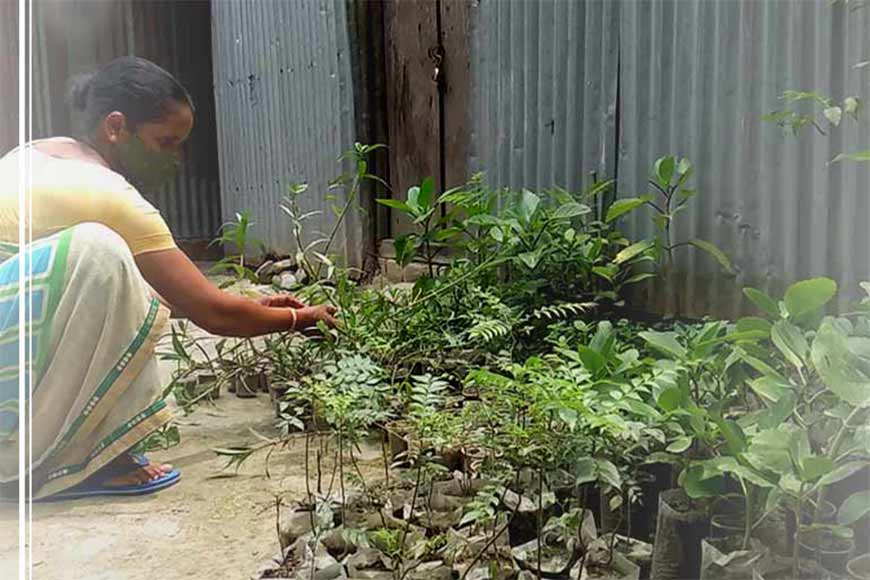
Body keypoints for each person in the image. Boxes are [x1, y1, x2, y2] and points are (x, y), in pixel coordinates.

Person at [0, 56, 337, 500]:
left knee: (123, 278)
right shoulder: (108, 195)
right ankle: (55, 460)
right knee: (101, 254)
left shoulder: (41, 151)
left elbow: (155, 294)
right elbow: (213, 314)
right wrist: (301, 319)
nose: (176, 160)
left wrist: (254, 307)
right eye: (166, 143)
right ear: (116, 127)